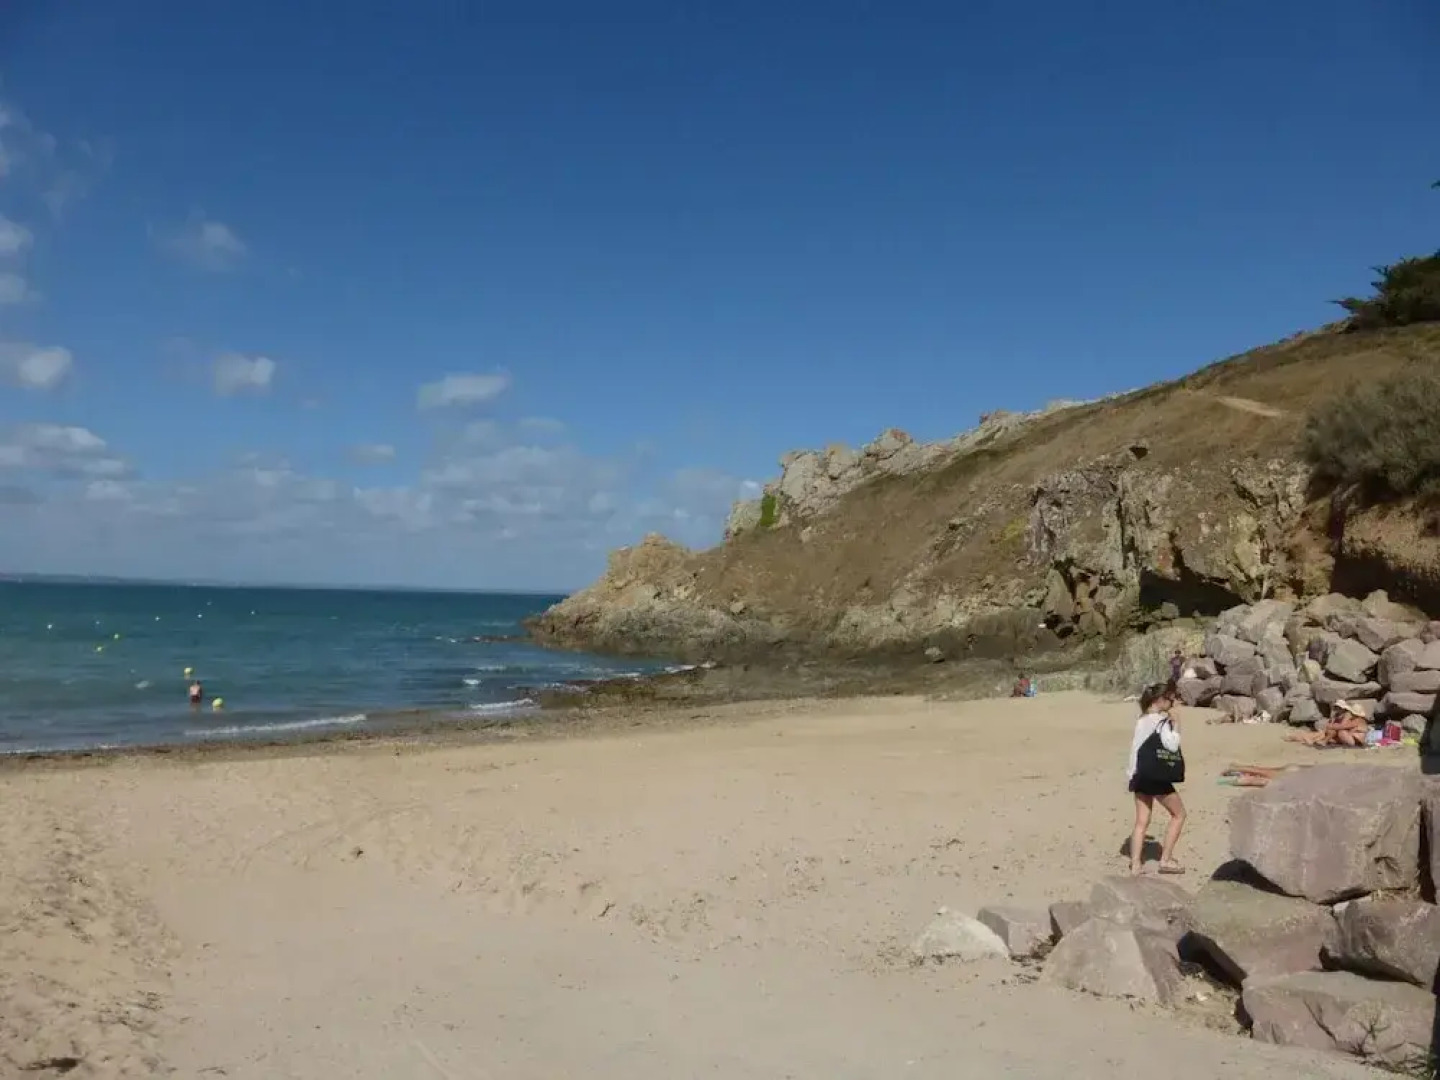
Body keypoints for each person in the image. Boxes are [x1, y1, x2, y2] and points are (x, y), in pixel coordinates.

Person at [1127, 682, 1187, 876]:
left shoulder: (1141, 720)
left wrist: (1132, 774)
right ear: (1159, 700)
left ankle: (1136, 864)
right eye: (1169, 699)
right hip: (1157, 777)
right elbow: (1171, 745)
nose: (1171, 702)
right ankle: (1166, 860)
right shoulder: (1160, 722)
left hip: (1140, 775)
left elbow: (1135, 750)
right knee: (1179, 815)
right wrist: (1176, 725)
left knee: (1141, 821)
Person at [1285, 700, 1369, 748]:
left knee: (1338, 732)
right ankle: (1296, 737)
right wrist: (1331, 725)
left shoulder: (1356, 720)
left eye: (1339, 708)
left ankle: (1320, 741)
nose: (1337, 709)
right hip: (1342, 735)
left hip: (1354, 740)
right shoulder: (1342, 716)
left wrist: (1330, 726)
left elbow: (1342, 726)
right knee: (1322, 734)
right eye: (1336, 708)